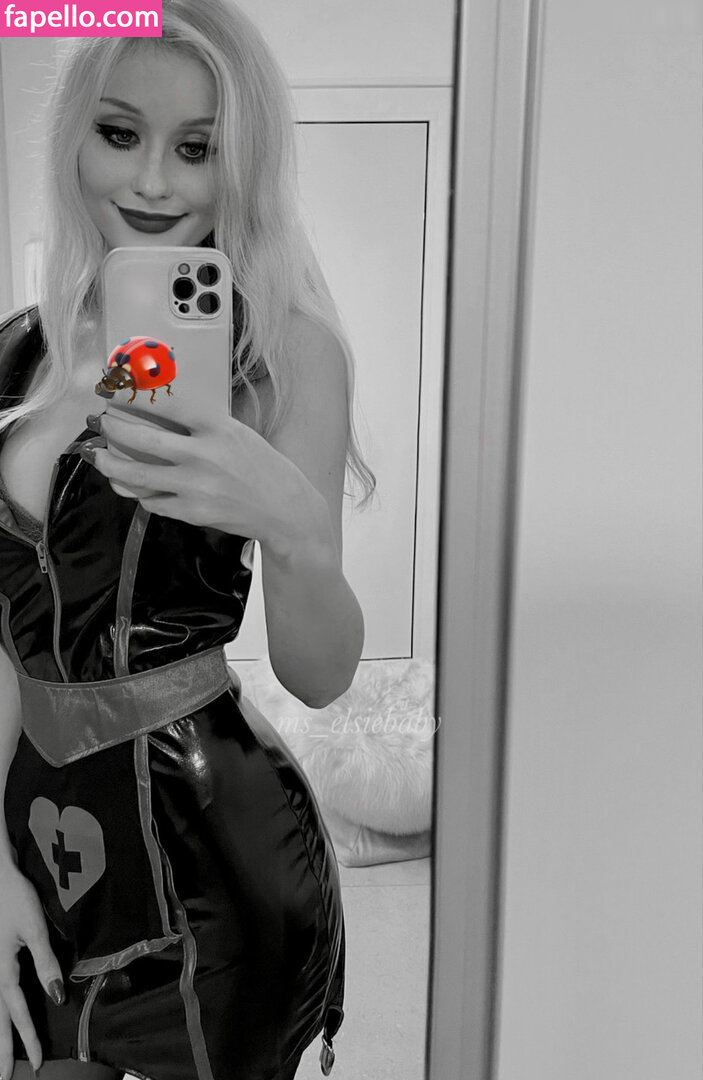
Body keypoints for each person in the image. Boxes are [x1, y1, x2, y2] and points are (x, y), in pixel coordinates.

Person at [0, 2, 375, 1078]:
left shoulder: (283, 353)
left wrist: (295, 529)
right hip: (37, 847)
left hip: (216, 864)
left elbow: (318, 676)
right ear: (74, 137)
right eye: (120, 133)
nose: (154, 181)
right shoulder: (17, 356)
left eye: (198, 148)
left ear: (240, 165)